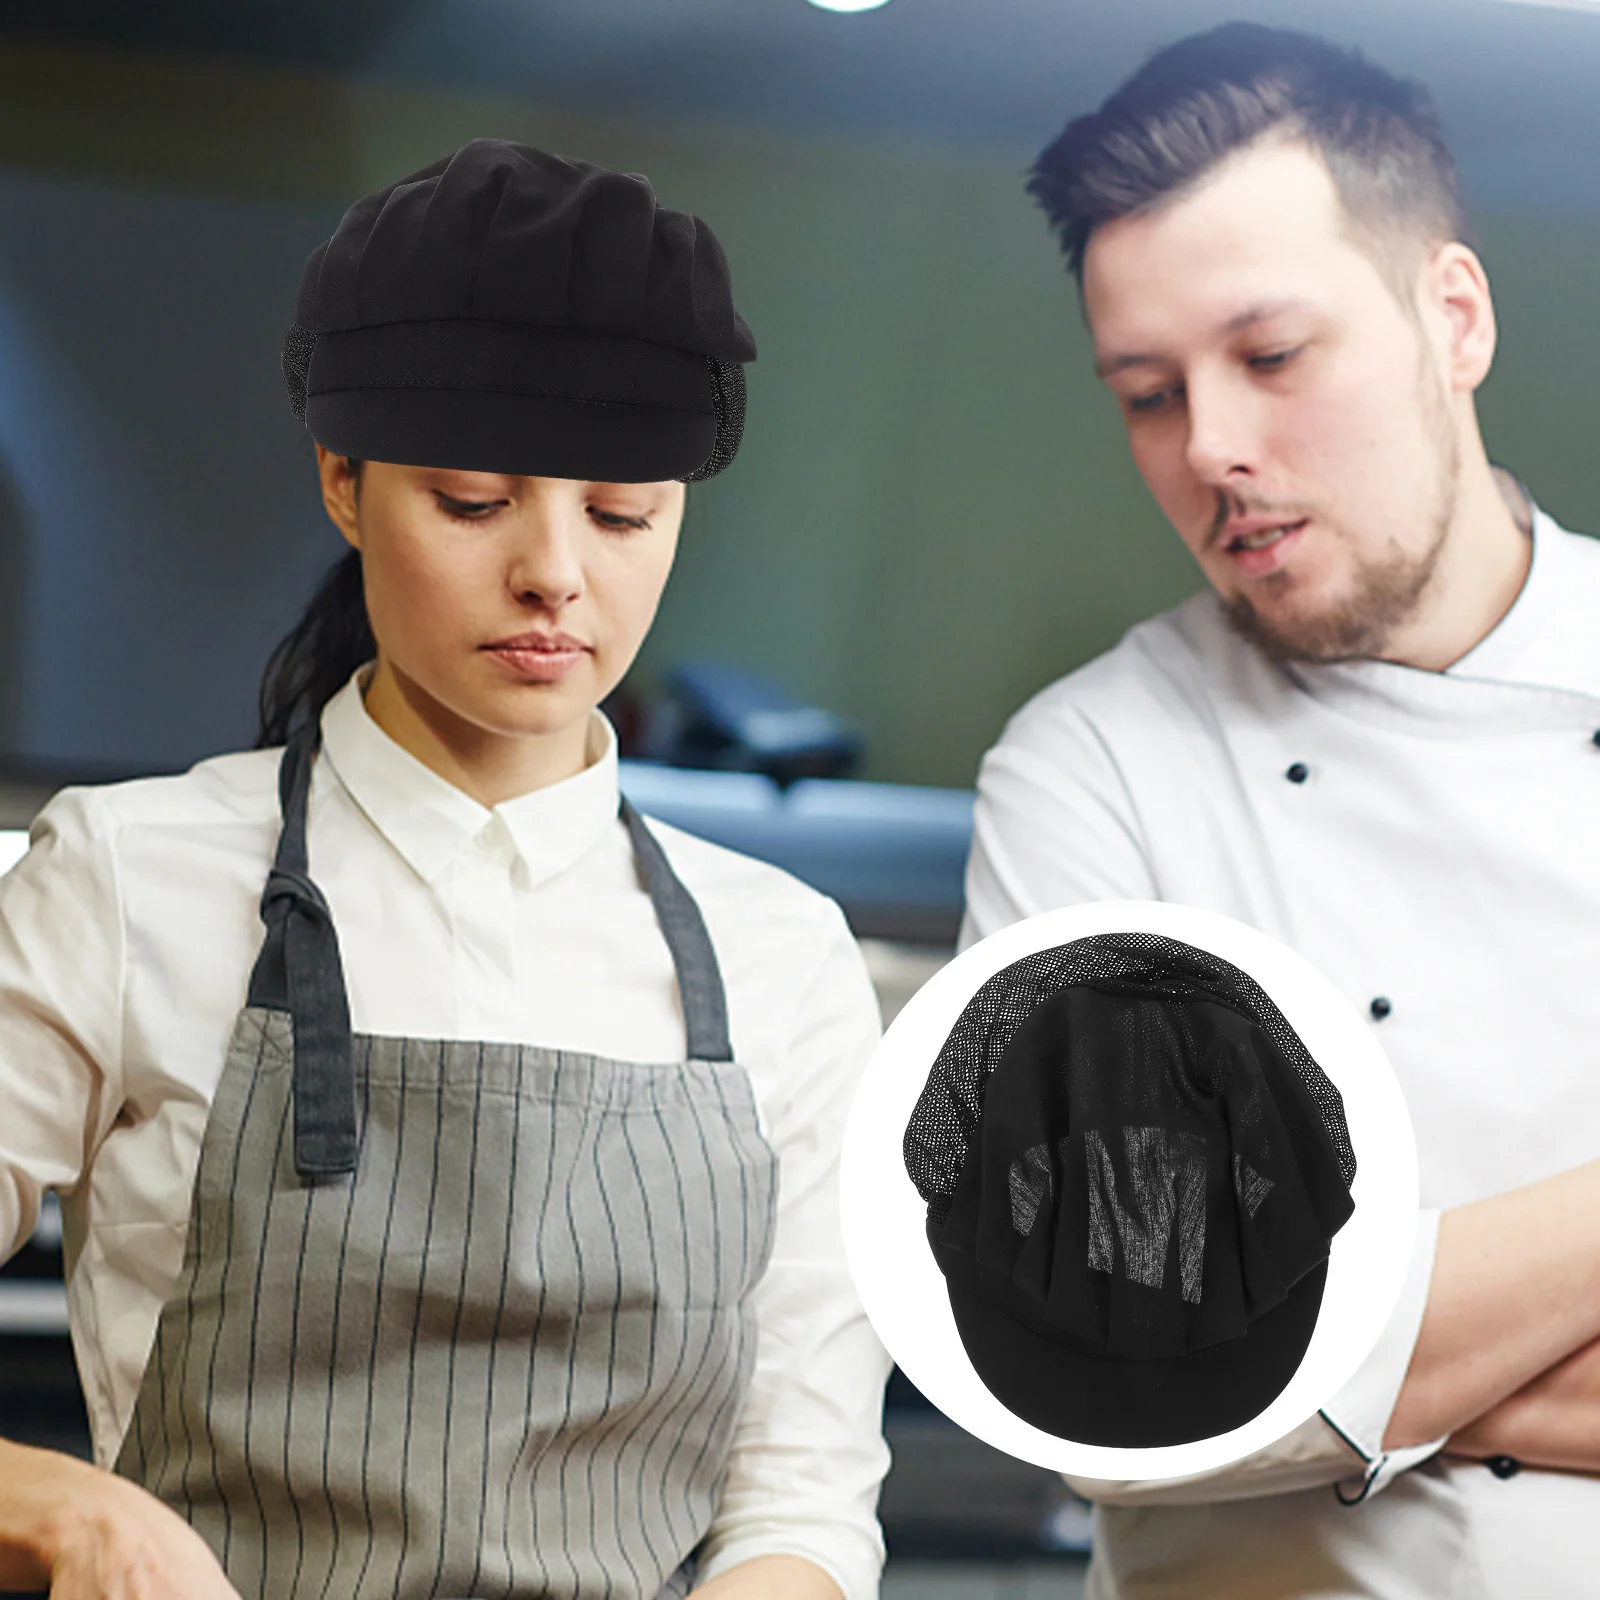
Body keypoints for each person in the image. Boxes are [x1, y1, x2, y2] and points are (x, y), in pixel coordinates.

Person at [0, 140, 889, 1600]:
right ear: (345, 483)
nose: (556, 572)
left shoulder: (782, 955)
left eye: (621, 515)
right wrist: (62, 1513)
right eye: (476, 501)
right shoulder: (127, 879)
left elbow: (801, 1495)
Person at [963, 23, 1600, 1600]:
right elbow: (1100, 1376)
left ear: (1451, 317)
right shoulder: (1090, 771)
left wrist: (1312, 1361)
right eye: (1148, 392)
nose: (1213, 450)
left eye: (1270, 355)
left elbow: (1205, 1359)